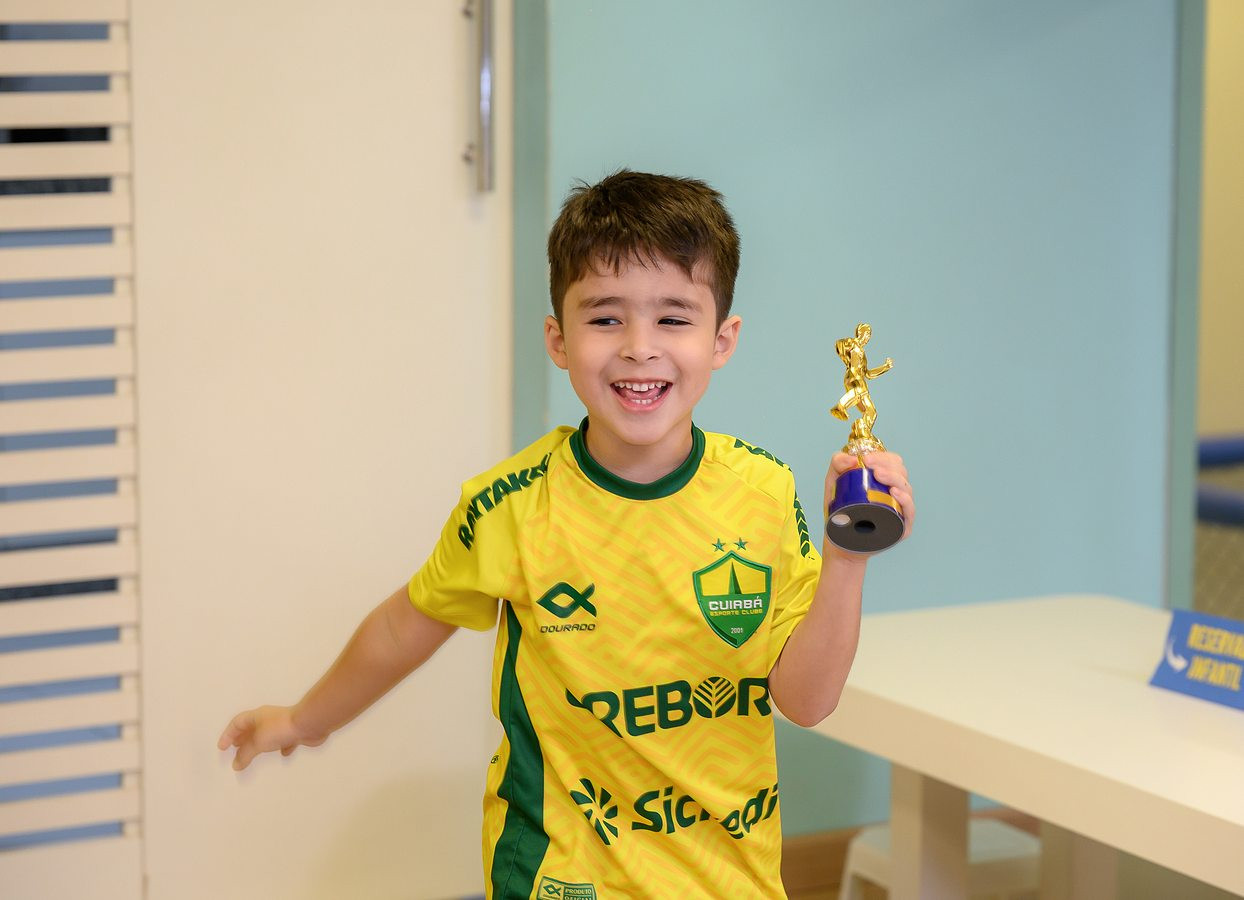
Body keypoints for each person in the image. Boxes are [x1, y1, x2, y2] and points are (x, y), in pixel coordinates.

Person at [218, 170, 915, 899]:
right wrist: (304, 720)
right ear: (558, 338)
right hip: (558, 877)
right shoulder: (511, 506)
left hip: (727, 879)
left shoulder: (763, 492)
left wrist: (847, 557)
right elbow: (401, 628)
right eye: (606, 318)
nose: (639, 348)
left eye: (673, 318)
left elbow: (806, 701)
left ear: (722, 340)